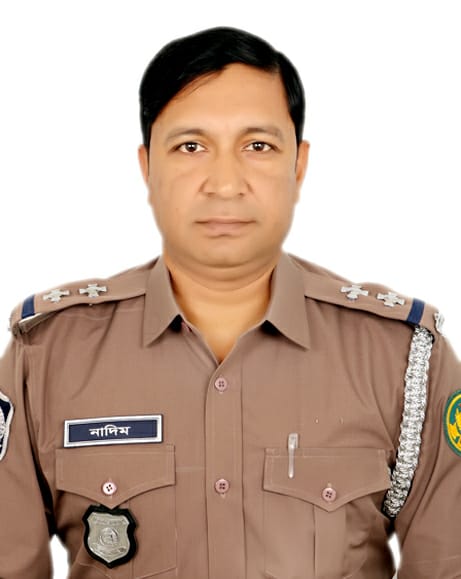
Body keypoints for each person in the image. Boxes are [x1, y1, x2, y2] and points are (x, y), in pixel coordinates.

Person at [0, 26, 460, 579]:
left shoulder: (403, 359)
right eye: (191, 147)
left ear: (298, 165)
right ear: (147, 167)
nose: (224, 184)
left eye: (257, 146)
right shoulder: (48, 356)